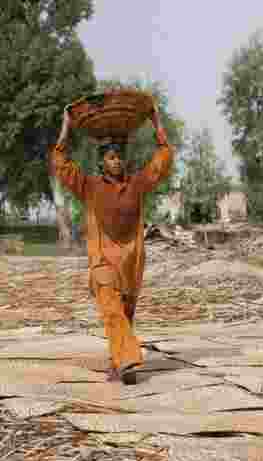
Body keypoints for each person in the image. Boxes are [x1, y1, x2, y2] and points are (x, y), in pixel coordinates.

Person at [50, 106, 173, 385]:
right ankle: (129, 358)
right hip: (103, 262)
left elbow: (162, 161)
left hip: (131, 264)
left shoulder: (137, 184)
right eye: (111, 157)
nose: (116, 162)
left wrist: (157, 123)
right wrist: (66, 127)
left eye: (119, 157)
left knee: (124, 317)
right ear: (102, 163)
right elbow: (61, 164)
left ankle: (118, 364)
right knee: (112, 312)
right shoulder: (89, 186)